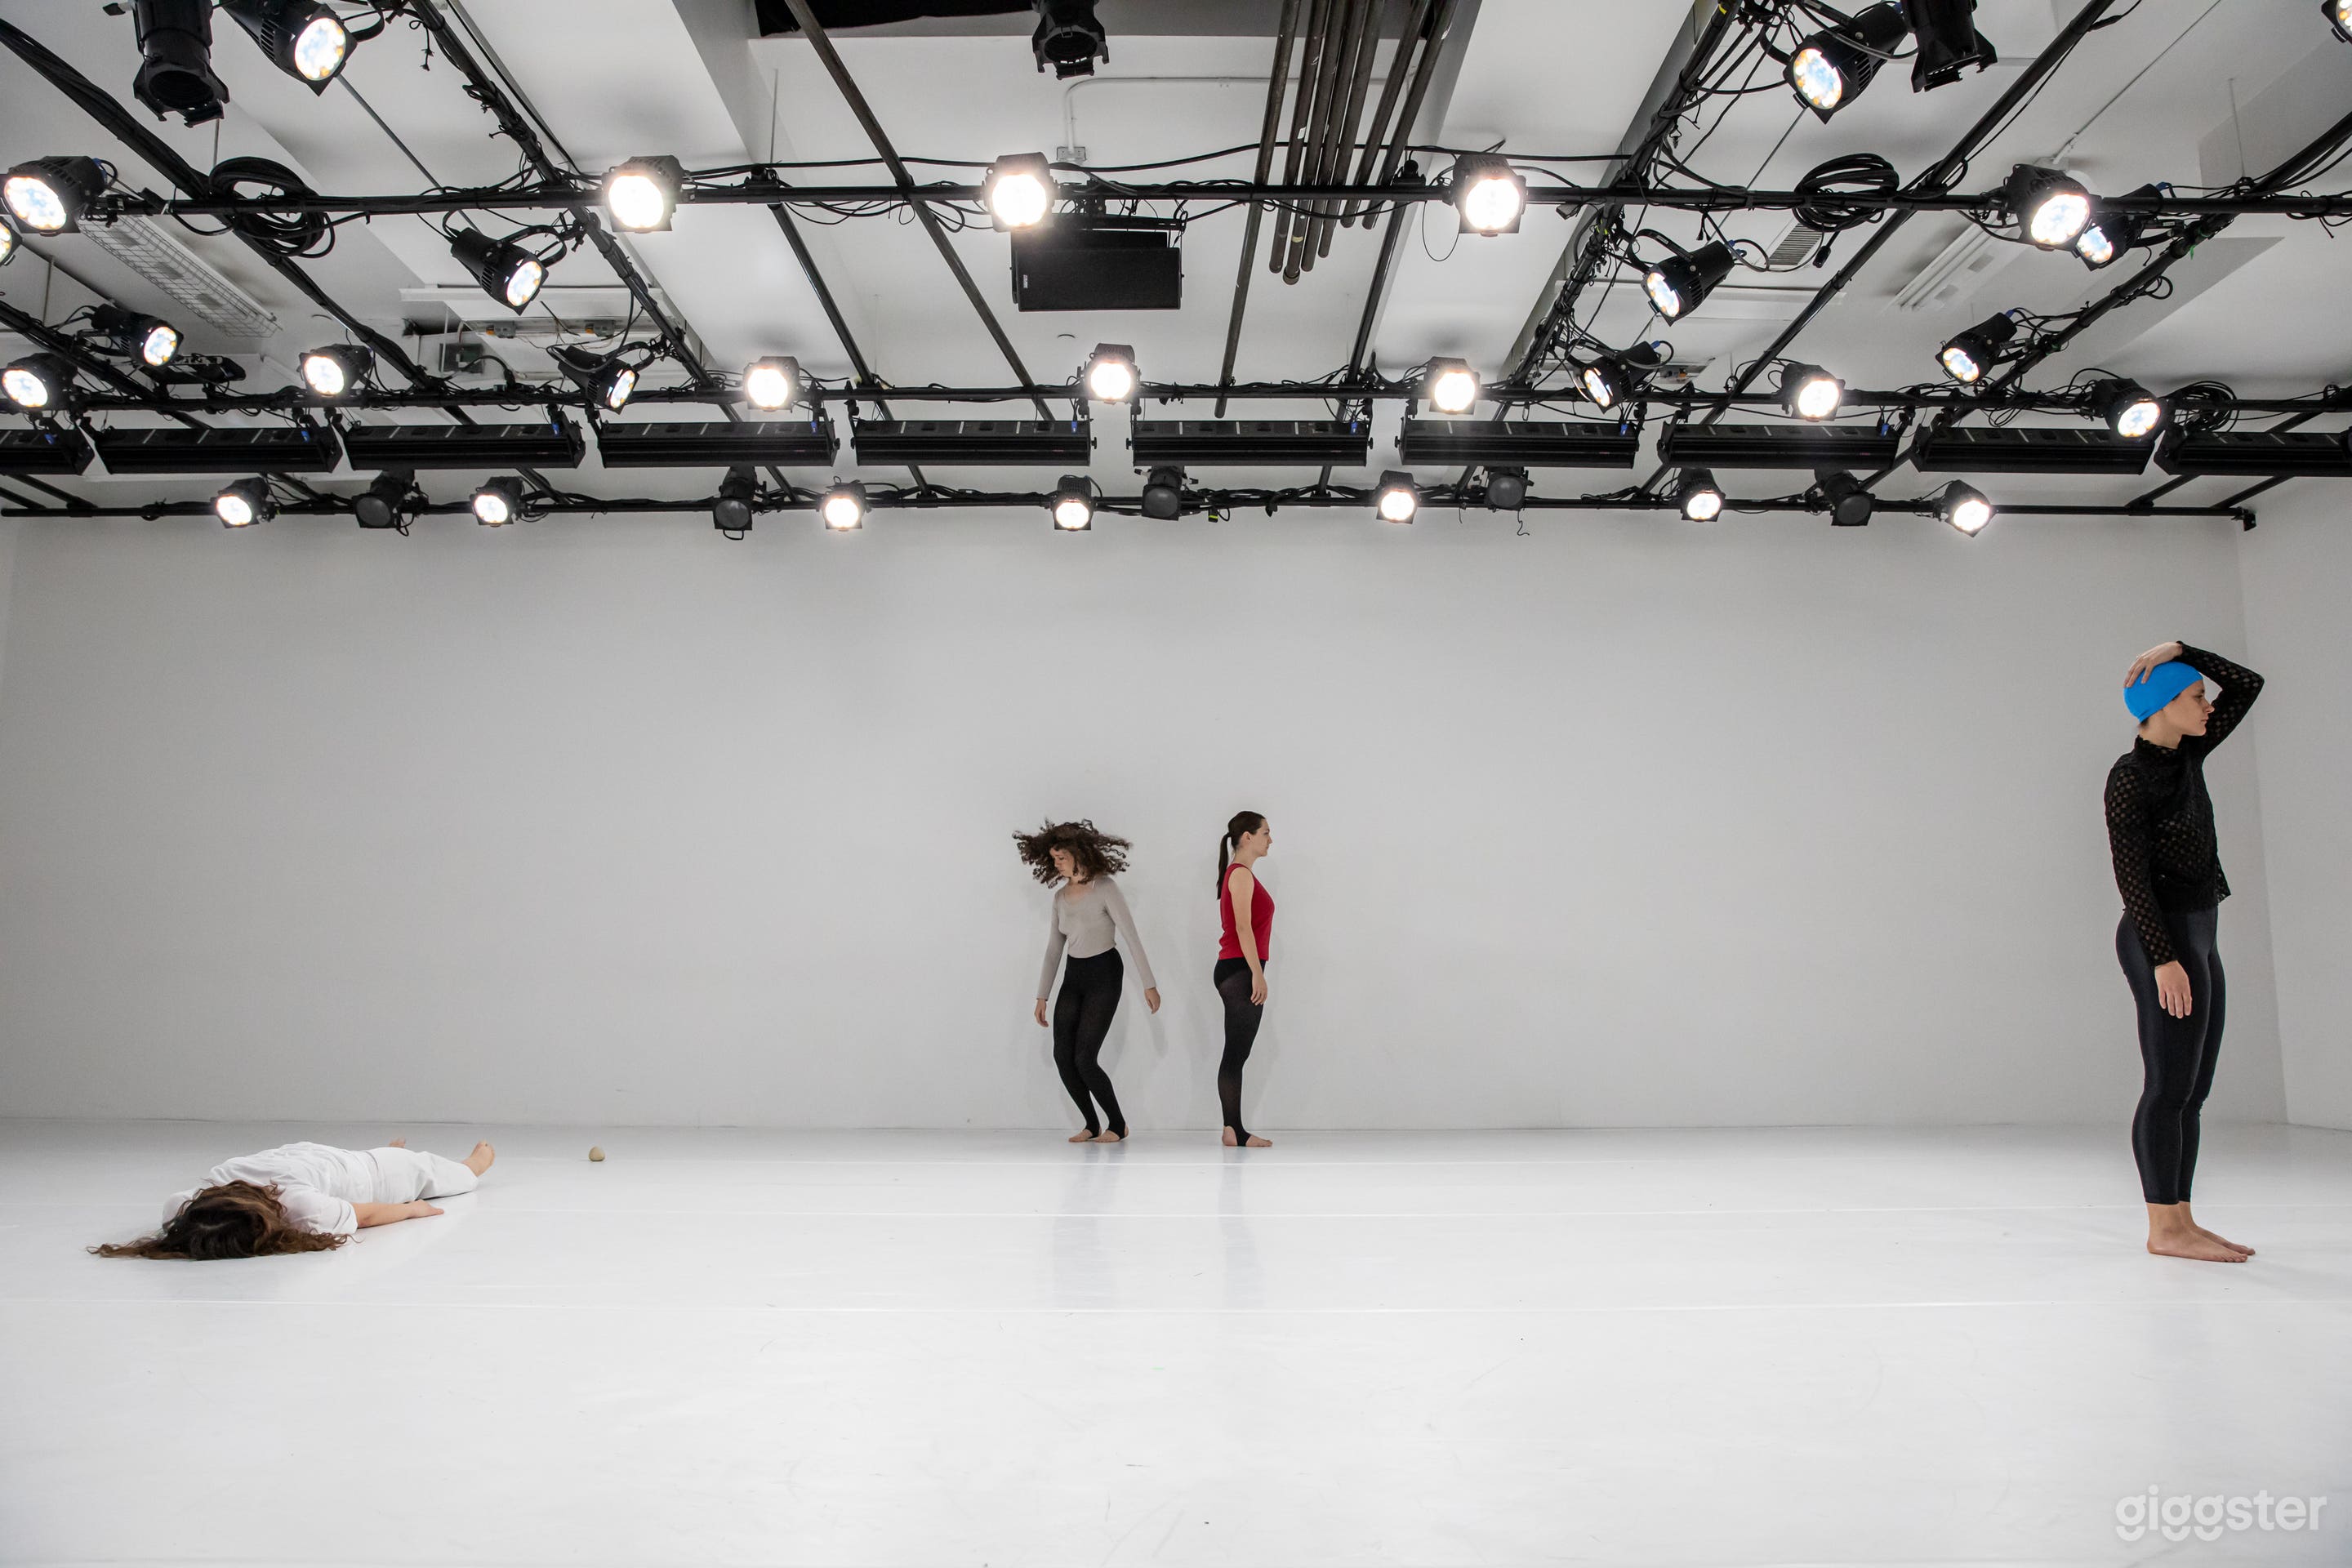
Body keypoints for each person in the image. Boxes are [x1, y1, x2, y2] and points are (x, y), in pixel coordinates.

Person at [2105, 639, 2264, 1264]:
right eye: (2196, 697)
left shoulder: (2192, 752)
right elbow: (2131, 876)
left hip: (2201, 934)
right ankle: (2162, 1228)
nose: (2207, 706)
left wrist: (2183, 648)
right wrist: (2164, 957)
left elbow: (2247, 685)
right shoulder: (2129, 777)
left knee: (2194, 1090)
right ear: (2164, 705)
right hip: (2160, 940)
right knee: (2168, 1086)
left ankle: (2184, 1220)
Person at [92, 1137, 496, 1259]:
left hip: (329, 1160)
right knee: (429, 1172)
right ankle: (470, 1167)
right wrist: (412, 1209)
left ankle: (393, 1154)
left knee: (393, 1159)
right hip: (372, 1176)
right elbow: (369, 1214)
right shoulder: (304, 1207)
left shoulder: (181, 1205)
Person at [1015, 820, 1160, 1143]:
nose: (1056, 863)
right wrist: (1042, 996)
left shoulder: (1104, 888)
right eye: (1053, 859)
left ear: (1078, 854)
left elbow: (1131, 935)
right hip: (1074, 975)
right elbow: (1054, 949)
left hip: (1105, 973)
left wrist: (1149, 984)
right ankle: (1092, 1124)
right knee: (1061, 1055)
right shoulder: (1060, 898)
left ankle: (1118, 1124)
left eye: (1061, 857)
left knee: (1085, 1057)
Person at [1214, 811, 1276, 1148]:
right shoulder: (1240, 876)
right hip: (1239, 970)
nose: (1270, 840)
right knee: (1236, 1054)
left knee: (1237, 1052)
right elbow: (1242, 928)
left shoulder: (1240, 874)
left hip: (1237, 969)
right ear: (1247, 837)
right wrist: (1257, 974)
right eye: (1266, 833)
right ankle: (1234, 1131)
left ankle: (1232, 1129)